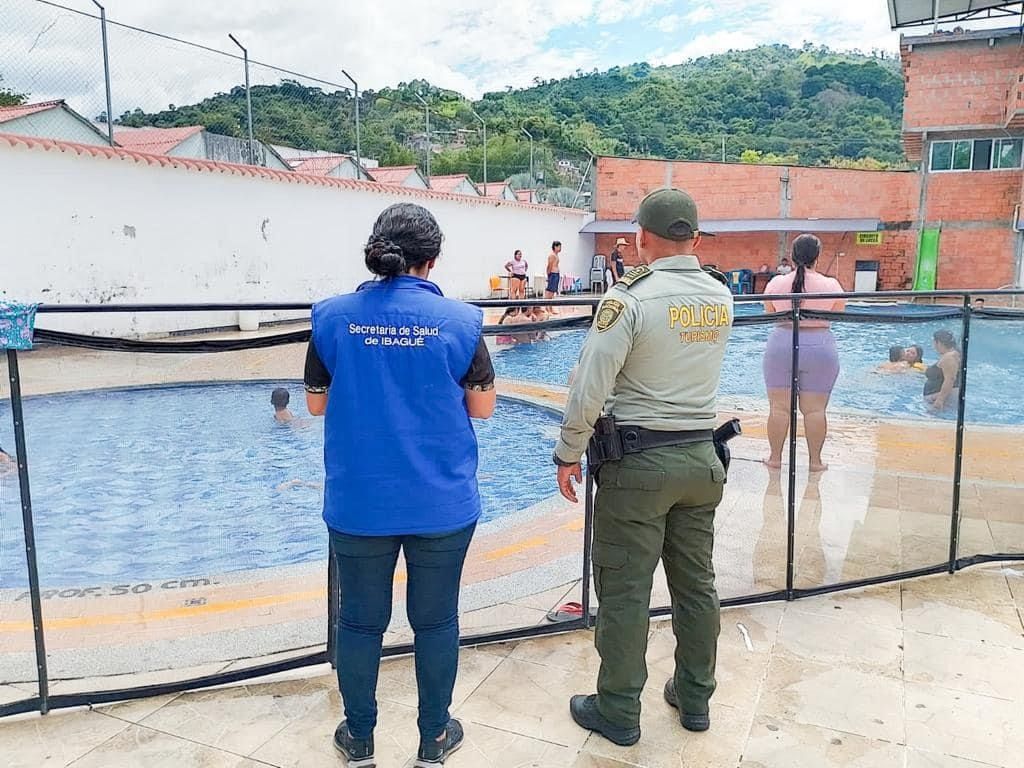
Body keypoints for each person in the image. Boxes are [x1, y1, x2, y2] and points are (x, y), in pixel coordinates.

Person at [303, 203, 497, 767]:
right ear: (431, 261)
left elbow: (315, 403)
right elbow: (482, 409)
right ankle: (434, 738)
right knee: (435, 620)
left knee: (360, 620)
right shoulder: (462, 322)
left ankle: (359, 737)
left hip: (359, 499)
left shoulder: (333, 318)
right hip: (442, 500)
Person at [553, 188, 733, 747]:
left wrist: (567, 450)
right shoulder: (721, 296)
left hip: (638, 466)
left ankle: (618, 710)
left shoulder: (628, 299)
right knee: (697, 586)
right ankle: (695, 697)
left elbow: (590, 384)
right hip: (702, 461)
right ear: (696, 239)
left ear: (640, 239)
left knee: (627, 592)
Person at [762, 234, 845, 473]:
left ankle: (775, 459)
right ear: (817, 257)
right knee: (815, 410)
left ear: (793, 256)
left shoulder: (776, 283)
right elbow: (838, 314)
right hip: (820, 348)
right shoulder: (831, 285)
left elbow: (770, 313)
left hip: (781, 345)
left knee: (779, 408)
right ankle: (815, 462)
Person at [925, 330, 961, 412]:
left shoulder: (949, 357)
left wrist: (940, 400)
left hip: (941, 398)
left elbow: (950, 379)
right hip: (942, 396)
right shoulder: (953, 354)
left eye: (934, 342)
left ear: (938, 343)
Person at [545, 240, 562, 310]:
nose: (560, 248)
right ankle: (547, 308)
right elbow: (549, 266)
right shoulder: (552, 255)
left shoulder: (556, 255)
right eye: (559, 247)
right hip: (553, 274)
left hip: (556, 274)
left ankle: (550, 308)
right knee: (550, 292)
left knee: (552, 292)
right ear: (555, 247)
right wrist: (549, 275)